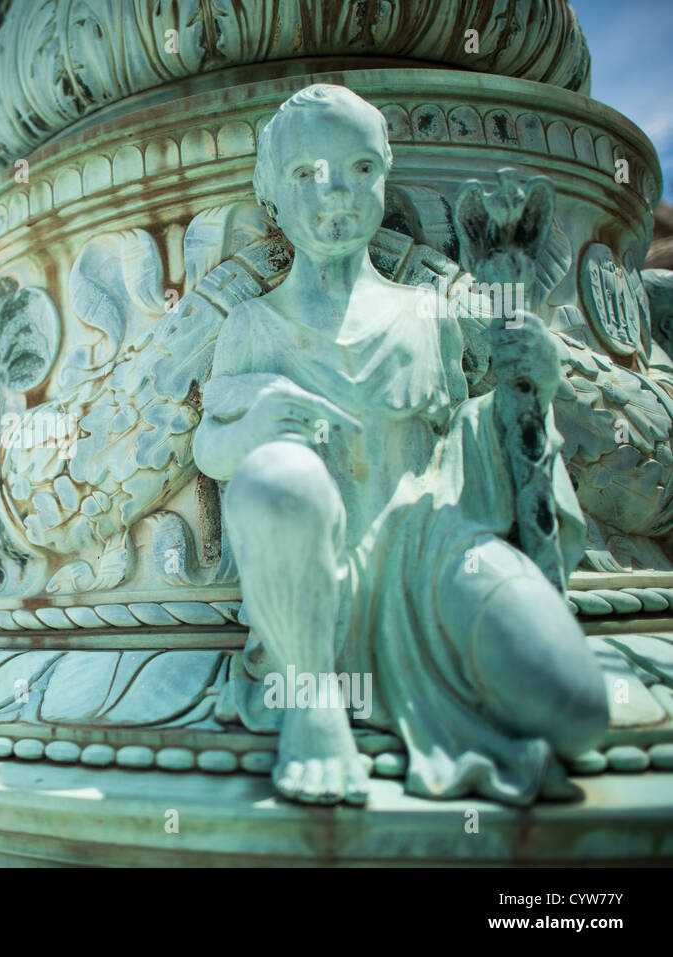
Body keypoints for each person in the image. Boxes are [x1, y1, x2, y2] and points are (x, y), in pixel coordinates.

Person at [192, 84, 609, 806]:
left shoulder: (428, 314)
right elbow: (210, 443)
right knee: (281, 474)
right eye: (304, 173)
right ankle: (314, 699)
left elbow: (481, 434)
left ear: (385, 175)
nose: (337, 191)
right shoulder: (252, 327)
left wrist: (531, 390)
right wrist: (254, 434)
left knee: (577, 715)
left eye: (359, 168)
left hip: (431, 546)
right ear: (269, 193)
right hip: (311, 581)